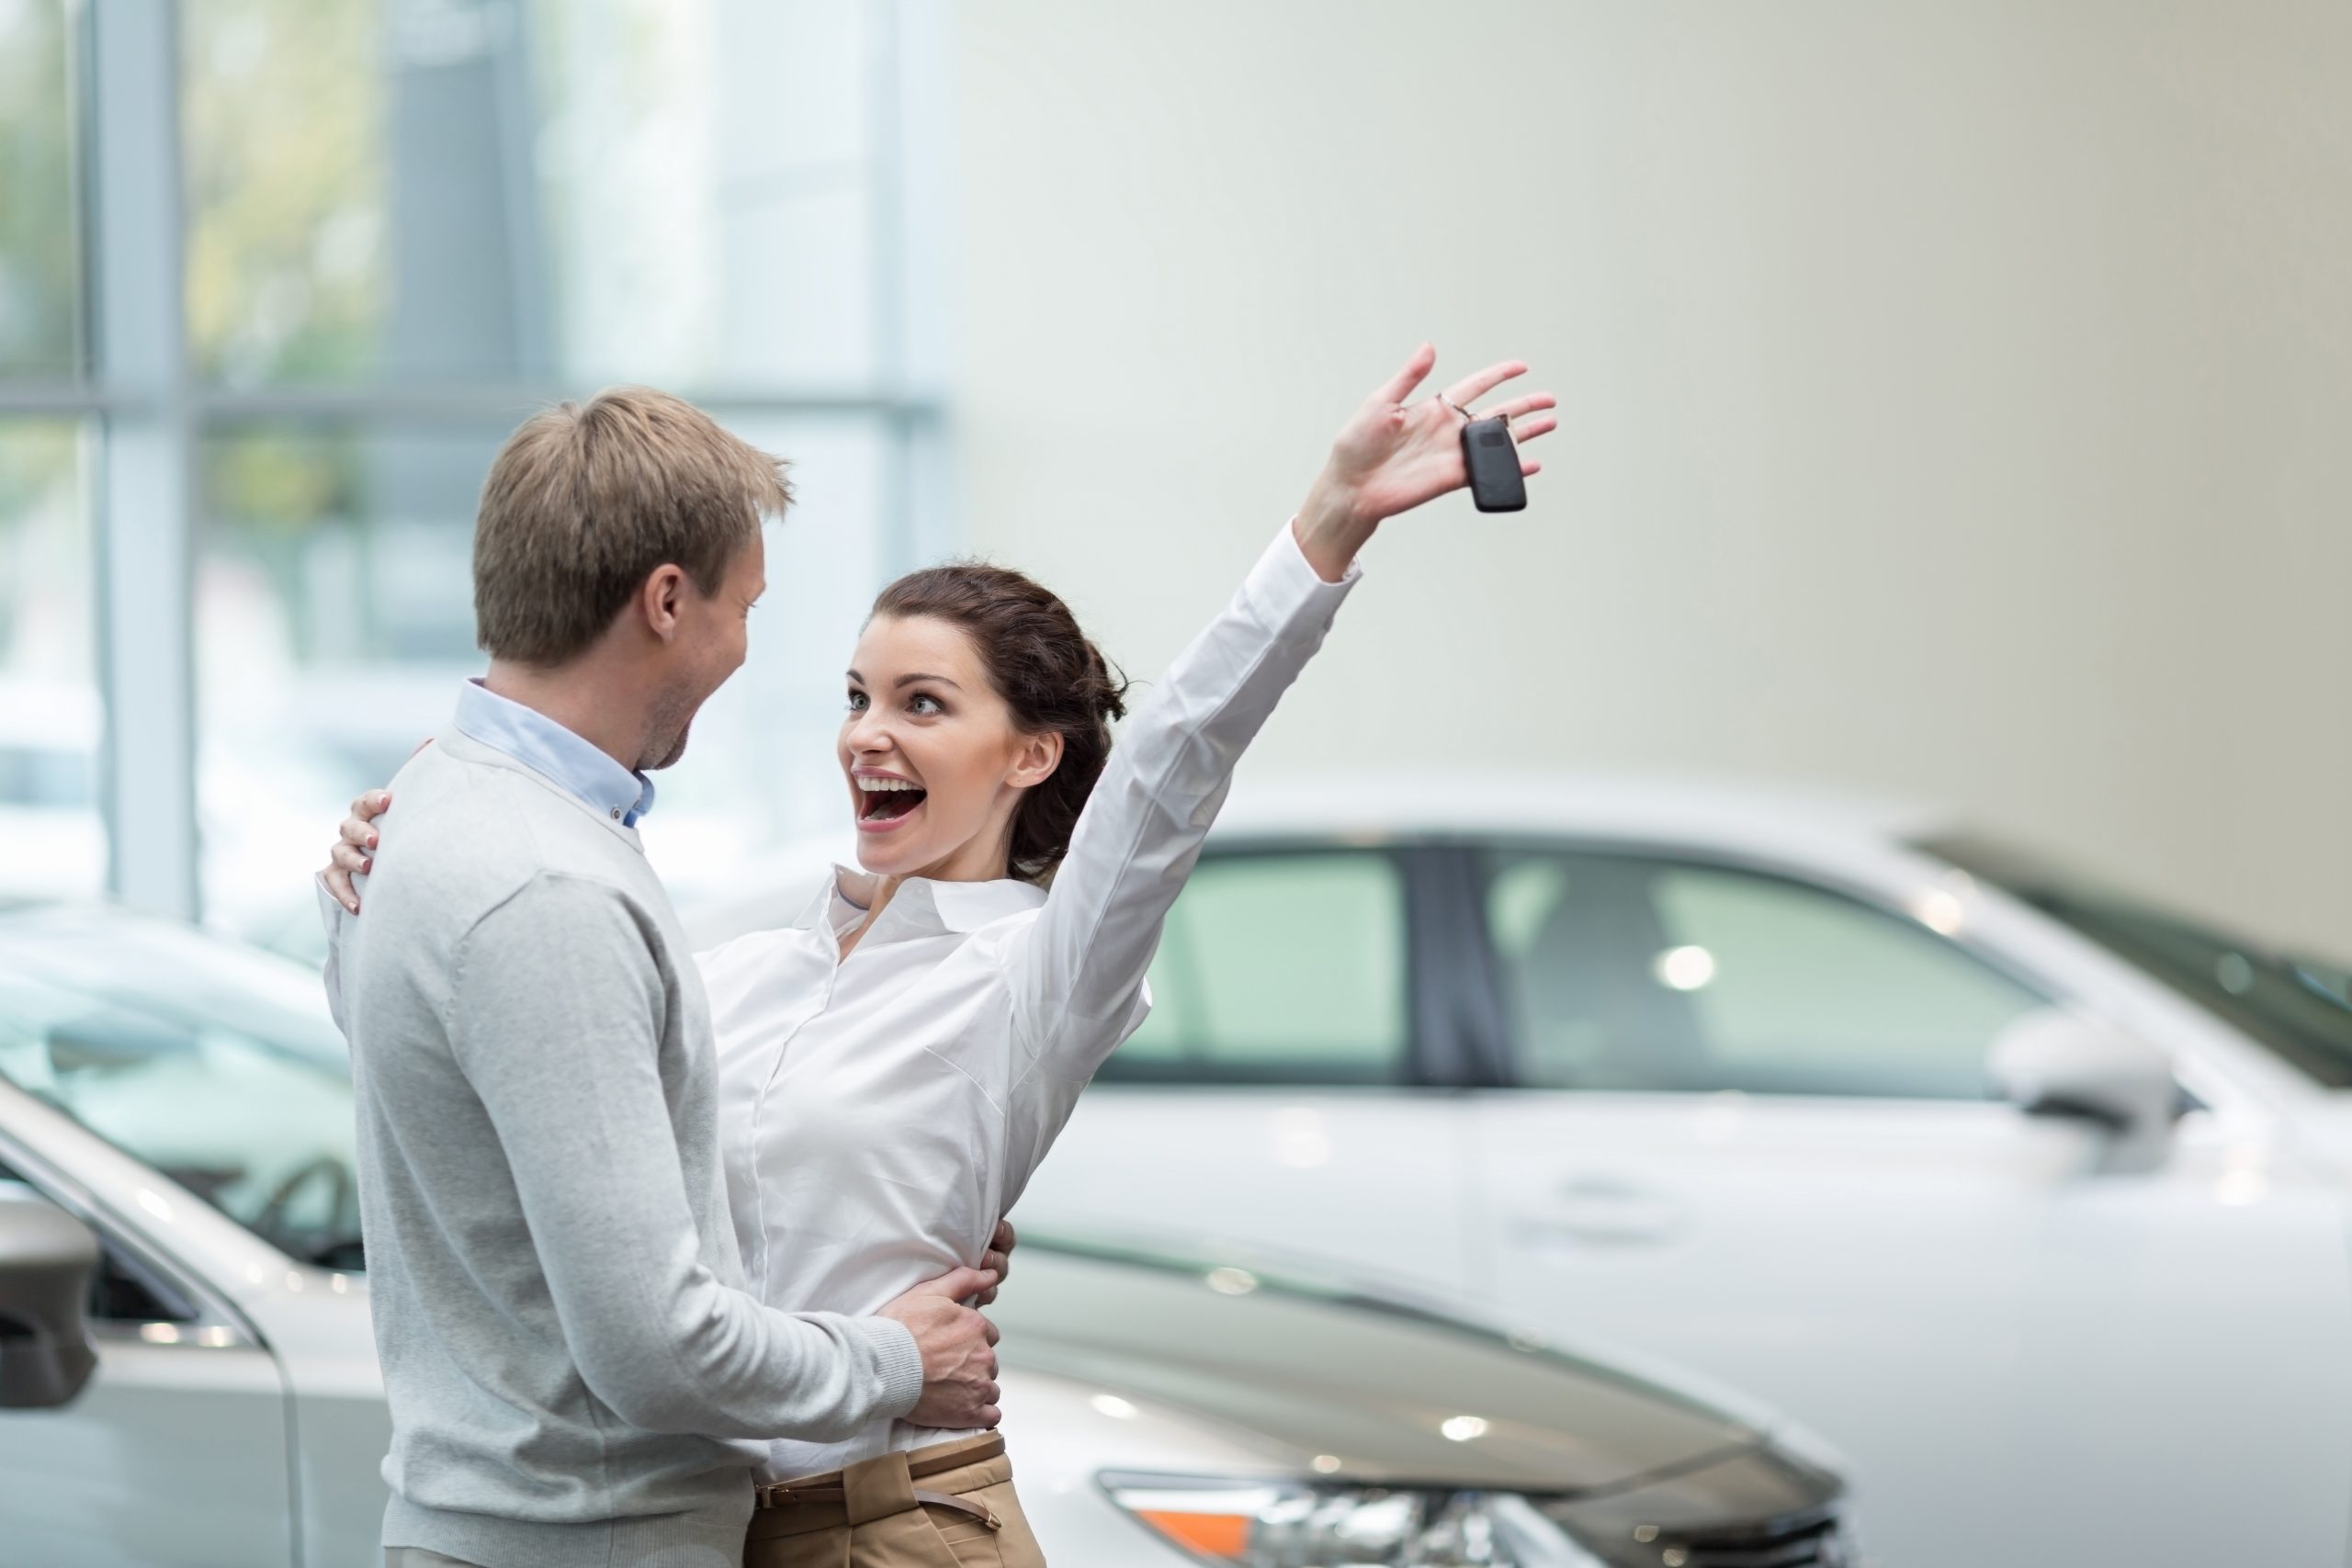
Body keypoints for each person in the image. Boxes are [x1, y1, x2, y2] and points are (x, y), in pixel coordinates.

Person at [323, 345, 1556, 1566]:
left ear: (1030, 754)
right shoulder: (746, 962)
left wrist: (1326, 527)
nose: (868, 734)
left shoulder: (1030, 976)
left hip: (898, 1521)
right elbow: (539, 1106)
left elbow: (1180, 756)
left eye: (924, 703)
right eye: (858, 695)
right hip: (717, 1522)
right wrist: (370, 898)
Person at [314, 388, 1006, 1568]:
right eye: (745, 605)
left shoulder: (426, 810)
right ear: (668, 601)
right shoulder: (546, 887)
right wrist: (895, 1359)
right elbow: (653, 1348)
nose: (743, 647)